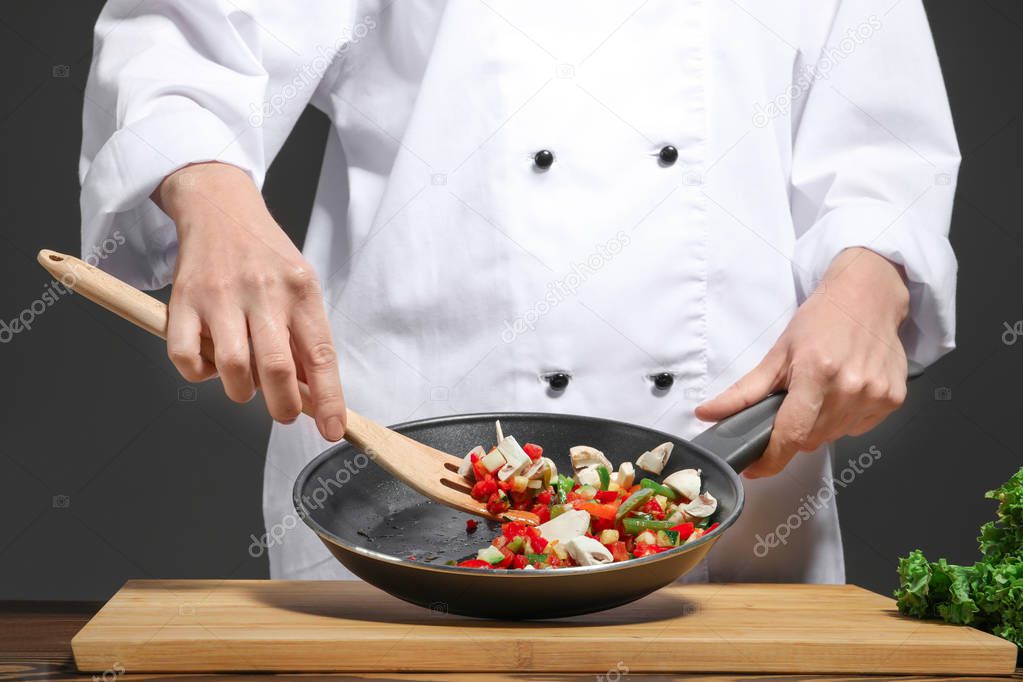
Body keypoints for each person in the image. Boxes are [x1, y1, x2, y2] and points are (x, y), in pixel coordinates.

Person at [80, 1, 958, 582]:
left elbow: (882, 145)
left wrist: (870, 276)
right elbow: (181, 38)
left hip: (736, 508)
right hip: (411, 504)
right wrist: (209, 189)